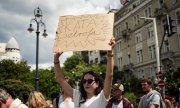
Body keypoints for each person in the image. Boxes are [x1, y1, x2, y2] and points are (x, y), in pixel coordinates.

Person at [54, 37, 115, 108]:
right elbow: (61, 80)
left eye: (89, 81)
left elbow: (109, 76)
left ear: (97, 83)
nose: (86, 83)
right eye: (84, 81)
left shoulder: (102, 97)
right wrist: (56, 59)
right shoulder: (77, 96)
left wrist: (110, 52)